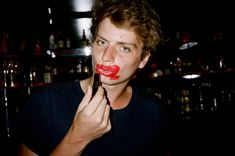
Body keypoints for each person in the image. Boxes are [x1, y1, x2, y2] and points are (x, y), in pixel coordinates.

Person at [17, 0, 174, 155]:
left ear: (143, 59)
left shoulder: (153, 112)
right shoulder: (45, 103)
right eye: (101, 42)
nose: (106, 56)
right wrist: (77, 138)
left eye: (124, 48)